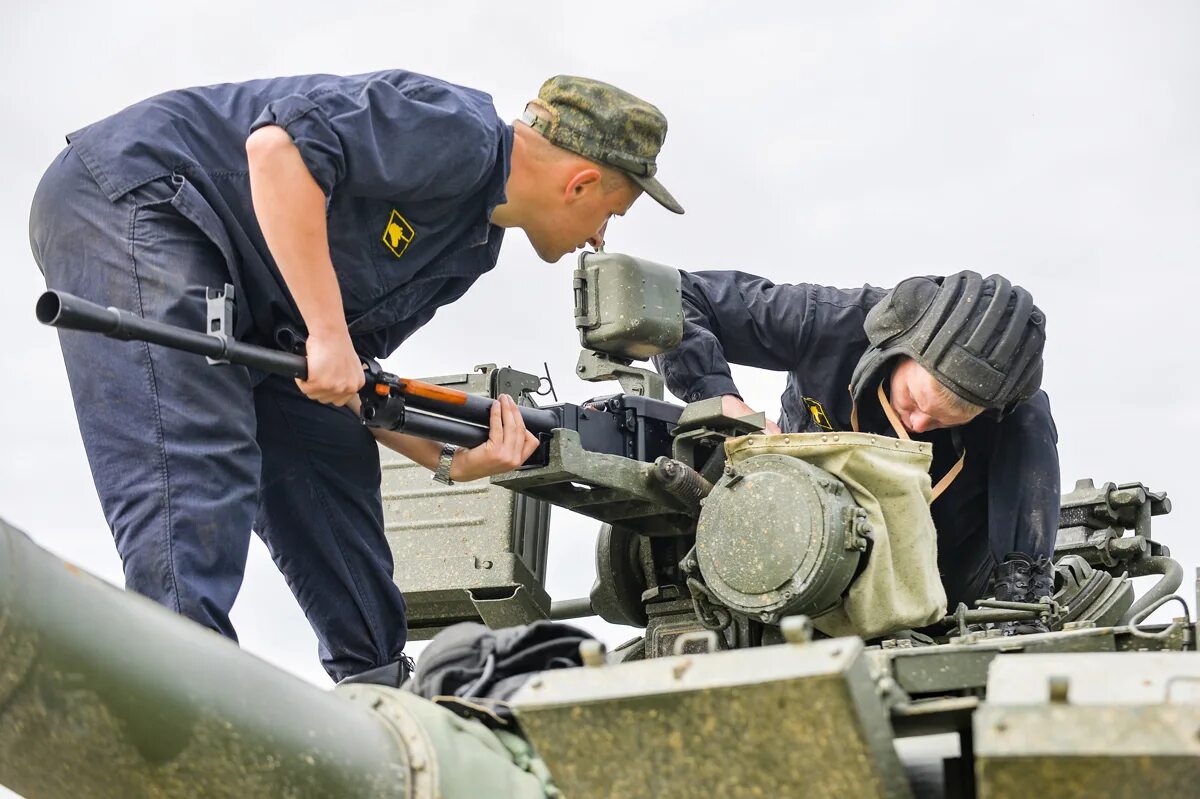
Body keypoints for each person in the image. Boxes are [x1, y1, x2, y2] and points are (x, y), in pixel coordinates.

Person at [28, 70, 684, 685]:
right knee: (198, 460)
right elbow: (279, 149)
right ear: (582, 182)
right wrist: (327, 330)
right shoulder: (462, 132)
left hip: (269, 312)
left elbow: (350, 382)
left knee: (329, 460)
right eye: (610, 216)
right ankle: (184, 699)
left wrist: (451, 458)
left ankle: (380, 696)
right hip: (146, 201)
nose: (598, 239)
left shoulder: (469, 250)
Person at [653, 269, 1060, 634]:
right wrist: (718, 396)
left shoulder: (1014, 417)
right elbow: (673, 295)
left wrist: (1019, 591)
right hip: (796, 565)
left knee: (1032, 417)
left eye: (941, 421)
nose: (918, 425)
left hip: (942, 586)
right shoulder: (832, 323)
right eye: (915, 401)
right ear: (901, 344)